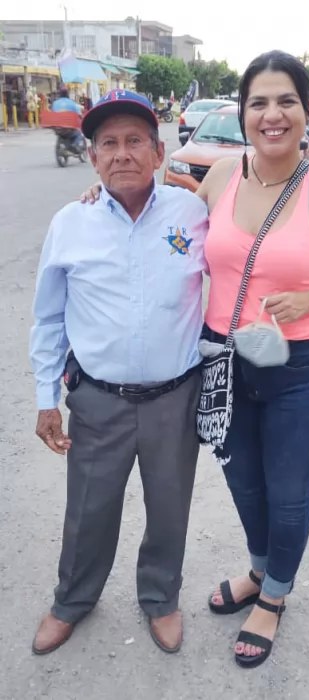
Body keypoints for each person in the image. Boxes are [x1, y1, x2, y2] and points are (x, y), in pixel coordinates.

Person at [83, 50, 309, 669]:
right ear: (243, 111)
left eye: (286, 101)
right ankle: (260, 569)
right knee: (243, 481)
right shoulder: (222, 176)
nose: (272, 115)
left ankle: (274, 597)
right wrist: (109, 191)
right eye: (259, 102)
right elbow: (173, 228)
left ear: (307, 110)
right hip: (222, 360)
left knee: (287, 492)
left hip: (299, 367)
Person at [30, 89, 209, 656]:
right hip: (98, 399)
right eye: (108, 143)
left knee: (169, 508)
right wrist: (45, 398)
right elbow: (48, 318)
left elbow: (249, 200)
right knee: (89, 508)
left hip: (175, 398)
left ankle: (161, 599)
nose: (122, 153)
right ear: (92, 157)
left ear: (159, 152)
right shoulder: (71, 222)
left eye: (135, 141)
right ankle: (72, 601)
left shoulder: (194, 213)